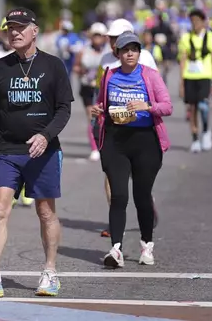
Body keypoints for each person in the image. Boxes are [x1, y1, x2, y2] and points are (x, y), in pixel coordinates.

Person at [0, 7, 73, 298]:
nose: (14, 32)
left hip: (44, 151)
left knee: (45, 211)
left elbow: (64, 109)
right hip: (8, 150)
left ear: (34, 31)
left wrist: (45, 135)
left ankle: (50, 271)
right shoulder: (0, 68)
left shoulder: (53, 66)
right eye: (10, 28)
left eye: (20, 27)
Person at [92, 32, 172, 268]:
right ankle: (116, 249)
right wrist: (99, 111)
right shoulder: (109, 75)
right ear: (117, 53)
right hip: (116, 140)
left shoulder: (151, 76)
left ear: (139, 53)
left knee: (142, 196)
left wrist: (146, 106)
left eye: (134, 49)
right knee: (118, 195)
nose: (130, 53)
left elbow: (167, 107)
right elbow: (102, 104)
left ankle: (147, 244)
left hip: (145, 141)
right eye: (125, 49)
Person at [94, 18, 159, 238]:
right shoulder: (105, 60)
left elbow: (154, 89)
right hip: (112, 125)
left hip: (141, 128)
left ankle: (146, 206)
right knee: (112, 175)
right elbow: (100, 88)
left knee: (139, 181)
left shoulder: (146, 58)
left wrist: (145, 107)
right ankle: (116, 221)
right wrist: (99, 110)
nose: (112, 43)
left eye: (116, 38)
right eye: (111, 39)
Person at [177, 9, 212, 153]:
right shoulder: (186, 38)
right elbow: (183, 60)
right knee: (192, 108)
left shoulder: (211, 37)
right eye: (192, 21)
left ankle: (206, 131)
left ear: (203, 22)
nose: (195, 24)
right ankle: (195, 138)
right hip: (190, 76)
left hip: (205, 76)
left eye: (197, 21)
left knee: (203, 106)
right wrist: (181, 82)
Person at [73, 22, 110, 162]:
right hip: (88, 87)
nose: (97, 38)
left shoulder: (109, 51)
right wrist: (83, 72)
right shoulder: (84, 50)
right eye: (95, 35)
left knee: (105, 117)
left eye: (100, 36)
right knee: (92, 117)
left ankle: (104, 144)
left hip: (104, 88)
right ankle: (95, 148)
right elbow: (75, 67)